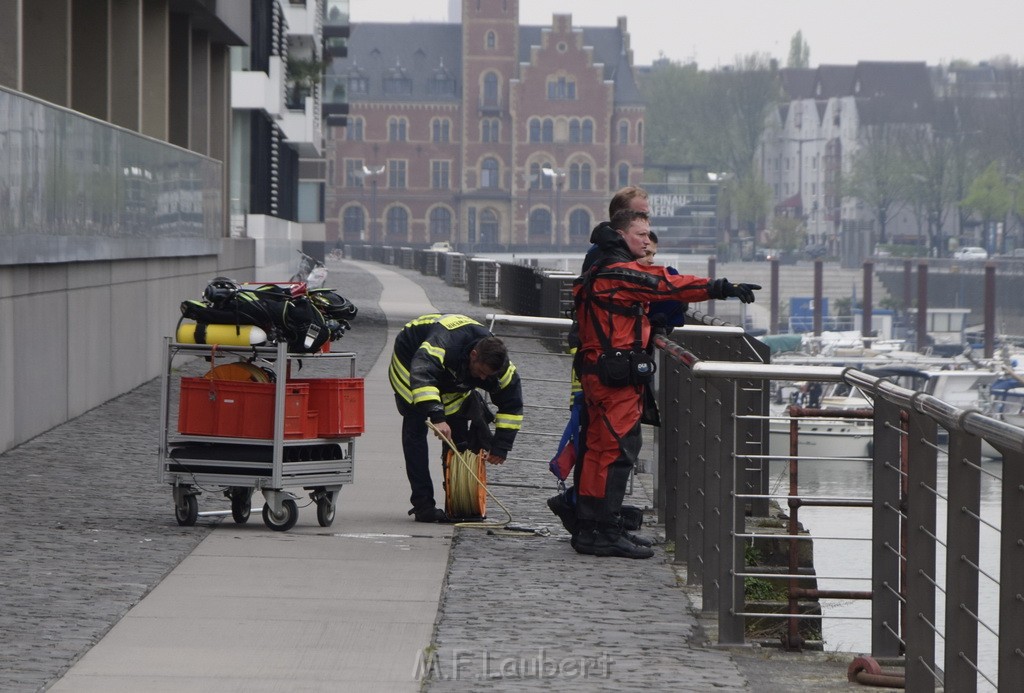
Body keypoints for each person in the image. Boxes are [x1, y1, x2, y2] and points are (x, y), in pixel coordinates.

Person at [569, 209, 760, 558]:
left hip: (599, 371)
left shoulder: (600, 268)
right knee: (615, 453)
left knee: (598, 452)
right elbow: (664, 284)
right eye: (641, 234)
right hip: (616, 377)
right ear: (622, 234)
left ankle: (590, 528)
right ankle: (605, 531)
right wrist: (721, 287)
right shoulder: (618, 271)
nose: (647, 240)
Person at [388, 314, 524, 522]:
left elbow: (512, 405)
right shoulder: (442, 344)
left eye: (487, 376)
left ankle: (457, 503)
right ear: (473, 354)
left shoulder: (500, 367)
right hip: (410, 361)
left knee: (458, 429)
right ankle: (423, 505)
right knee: (416, 425)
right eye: (480, 372)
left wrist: (501, 446)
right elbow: (423, 373)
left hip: (452, 375)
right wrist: (436, 415)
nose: (482, 379)